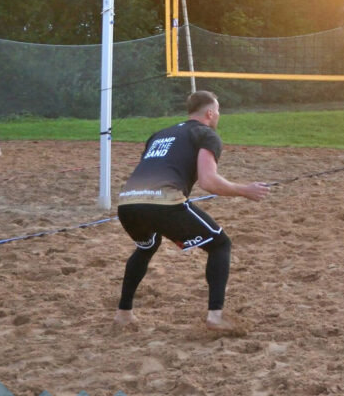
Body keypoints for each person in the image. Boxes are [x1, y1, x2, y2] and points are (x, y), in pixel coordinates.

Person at [114, 91, 270, 331]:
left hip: (127, 202)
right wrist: (244, 190)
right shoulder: (206, 134)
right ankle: (216, 316)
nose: (218, 115)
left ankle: (123, 314)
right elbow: (209, 181)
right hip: (163, 201)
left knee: (146, 247)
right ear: (210, 113)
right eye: (218, 111)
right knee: (220, 245)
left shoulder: (160, 134)